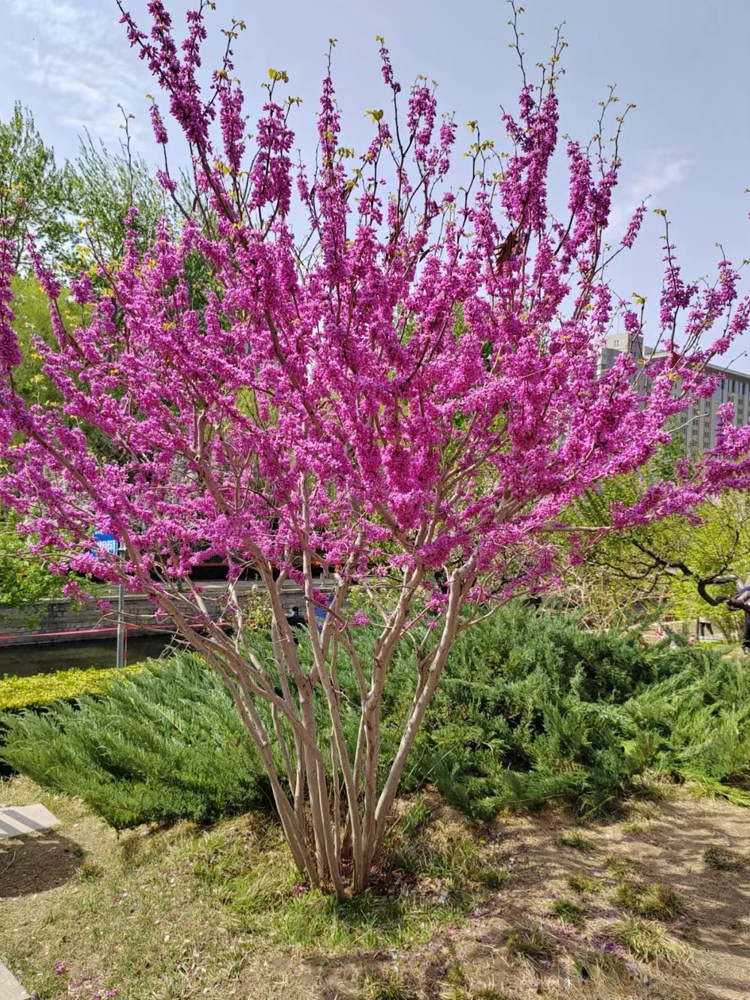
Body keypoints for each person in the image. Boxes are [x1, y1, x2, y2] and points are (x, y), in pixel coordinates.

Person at [726, 578, 750, 654]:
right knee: (748, 628)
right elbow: (737, 601)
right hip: (748, 611)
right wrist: (734, 603)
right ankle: (746, 646)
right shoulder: (747, 591)